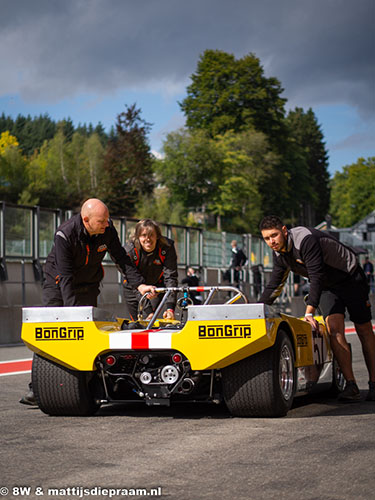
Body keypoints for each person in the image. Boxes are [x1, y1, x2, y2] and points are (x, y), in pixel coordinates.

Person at [20, 199, 156, 405]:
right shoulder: (65, 235)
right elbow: (65, 277)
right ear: (86, 220)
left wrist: (140, 285)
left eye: (107, 220)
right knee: (58, 332)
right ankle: (38, 386)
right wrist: (73, 315)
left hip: (89, 283)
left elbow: (122, 259)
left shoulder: (108, 230)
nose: (106, 224)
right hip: (59, 284)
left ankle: (89, 384)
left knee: (90, 333)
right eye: (101, 221)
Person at [258, 215, 375, 402]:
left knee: (363, 328)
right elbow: (275, 285)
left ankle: (373, 383)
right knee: (334, 329)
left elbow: (316, 276)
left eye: (274, 235)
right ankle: (351, 385)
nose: (271, 241)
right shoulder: (279, 253)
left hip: (349, 277)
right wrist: (257, 311)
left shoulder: (305, 240)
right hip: (328, 287)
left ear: (284, 231)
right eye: (267, 238)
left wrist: (309, 312)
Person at [123, 219, 178, 321]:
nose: (147, 239)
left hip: (156, 286)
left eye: (151, 235)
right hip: (133, 287)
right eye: (144, 235)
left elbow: (170, 277)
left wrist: (170, 308)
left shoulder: (167, 247)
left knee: (152, 319)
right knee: (138, 321)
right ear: (138, 237)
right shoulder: (130, 251)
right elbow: (133, 280)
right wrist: (148, 311)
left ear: (157, 236)